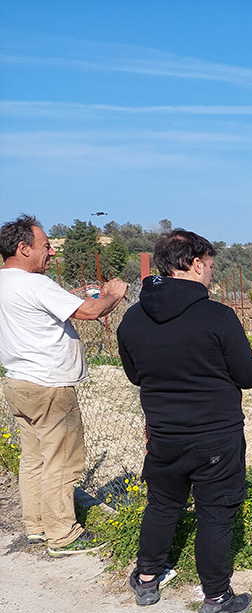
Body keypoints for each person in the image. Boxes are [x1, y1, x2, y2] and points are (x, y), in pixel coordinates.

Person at [116, 229, 252, 613]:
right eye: (210, 266)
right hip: (216, 435)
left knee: (162, 505)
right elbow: (248, 376)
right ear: (195, 264)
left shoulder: (132, 318)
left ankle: (147, 579)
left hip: (163, 434)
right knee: (215, 512)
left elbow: (134, 375)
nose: (210, 274)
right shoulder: (217, 316)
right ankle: (216, 597)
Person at [0, 214, 127, 556]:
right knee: (63, 461)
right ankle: (63, 534)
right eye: (46, 246)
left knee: (34, 458)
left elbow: (42, 304)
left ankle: (37, 526)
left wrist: (73, 293)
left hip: (18, 383)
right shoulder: (35, 284)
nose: (52, 252)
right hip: (50, 387)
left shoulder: (6, 282)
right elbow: (89, 313)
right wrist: (113, 296)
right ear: (23, 248)